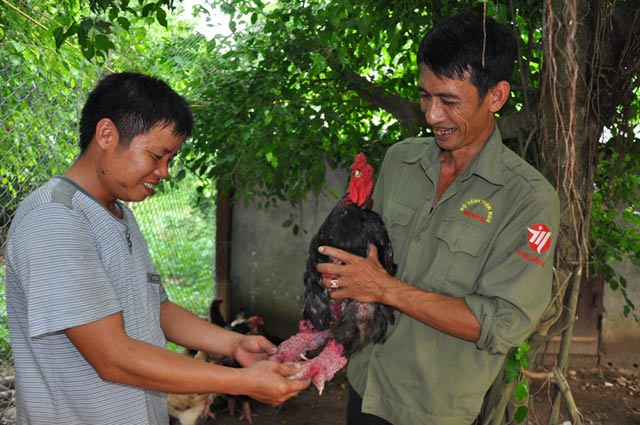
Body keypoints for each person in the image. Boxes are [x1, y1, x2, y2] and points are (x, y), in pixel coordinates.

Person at [5, 72, 310, 425]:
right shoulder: (55, 219)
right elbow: (112, 357)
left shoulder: (118, 215)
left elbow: (157, 309)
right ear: (106, 134)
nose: (164, 172)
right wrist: (241, 382)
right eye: (156, 155)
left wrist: (232, 344)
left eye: (170, 159)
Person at [317, 12, 560, 425]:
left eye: (448, 100)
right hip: (365, 387)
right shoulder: (400, 160)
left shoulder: (529, 199)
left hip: (434, 411)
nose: (431, 115)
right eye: (425, 96)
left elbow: (502, 323)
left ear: (496, 97)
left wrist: (386, 289)